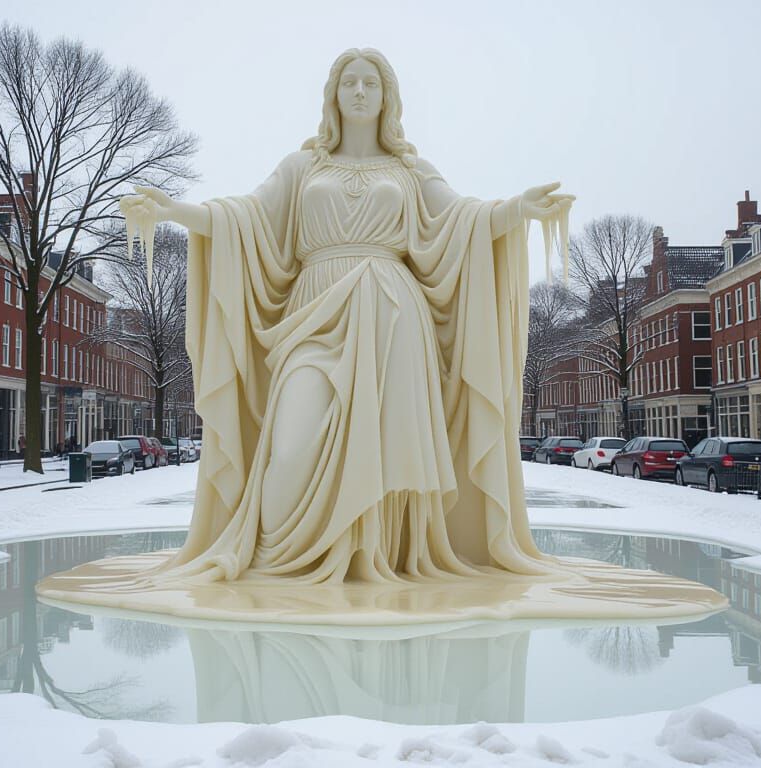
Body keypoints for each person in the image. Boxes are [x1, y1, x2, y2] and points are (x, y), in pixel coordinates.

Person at [120, 48, 572, 584]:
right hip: (313, 316)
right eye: (349, 82)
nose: (359, 92)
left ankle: (374, 556)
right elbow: (244, 219)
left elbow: (464, 221)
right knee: (290, 449)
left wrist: (518, 208)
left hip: (394, 320)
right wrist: (172, 211)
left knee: (387, 454)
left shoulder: (411, 171)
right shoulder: (302, 167)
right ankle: (280, 558)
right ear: (333, 95)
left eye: (370, 84)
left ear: (387, 97)